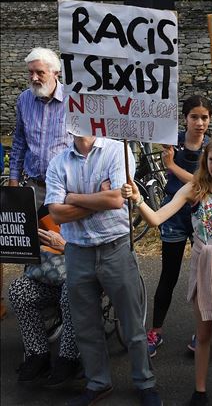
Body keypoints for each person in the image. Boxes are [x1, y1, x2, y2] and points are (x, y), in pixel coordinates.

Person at [124, 135, 212, 406]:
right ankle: (200, 392)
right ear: (205, 160)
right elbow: (157, 219)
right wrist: (139, 200)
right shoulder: (193, 189)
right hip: (205, 264)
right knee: (205, 332)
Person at [45, 134, 160, 406]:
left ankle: (145, 382)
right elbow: (57, 213)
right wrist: (100, 196)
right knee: (86, 325)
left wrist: (73, 197)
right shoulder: (58, 163)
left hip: (115, 248)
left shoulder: (116, 151)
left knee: (132, 323)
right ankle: (98, 383)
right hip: (77, 251)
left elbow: (116, 201)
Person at [146, 95, 212, 357]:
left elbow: (202, 183)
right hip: (173, 216)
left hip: (201, 216)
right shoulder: (172, 142)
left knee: (201, 278)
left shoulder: (211, 148)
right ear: (184, 118)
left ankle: (201, 333)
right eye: (194, 117)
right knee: (168, 275)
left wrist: (171, 165)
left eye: (204, 117)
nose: (200, 122)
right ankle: (155, 331)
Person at [9, 214, 81, 387]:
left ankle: (68, 357)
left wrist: (65, 245)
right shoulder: (44, 202)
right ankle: (37, 353)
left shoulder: (92, 199)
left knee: (69, 292)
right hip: (50, 270)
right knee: (19, 291)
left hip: (81, 270)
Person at [8, 47, 73, 206]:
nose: (34, 78)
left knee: (64, 231)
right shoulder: (24, 99)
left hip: (68, 188)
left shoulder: (72, 100)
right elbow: (19, 142)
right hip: (35, 187)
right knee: (32, 230)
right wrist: (13, 179)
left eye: (40, 72)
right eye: (30, 72)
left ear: (55, 73)